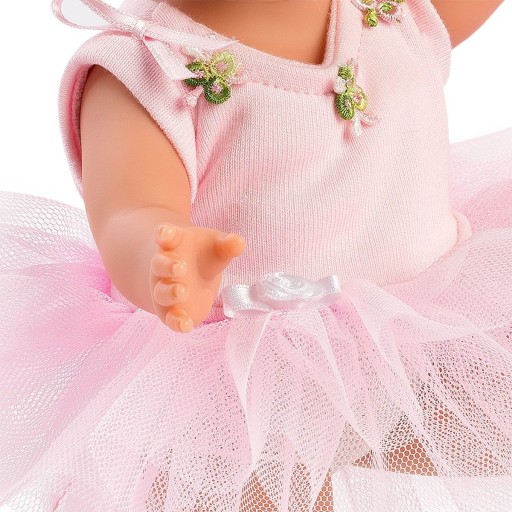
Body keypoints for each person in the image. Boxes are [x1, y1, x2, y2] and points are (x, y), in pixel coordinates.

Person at [1, 0, 511, 509]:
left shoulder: (388, 14)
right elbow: (127, 210)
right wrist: (162, 257)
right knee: (241, 492)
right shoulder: (152, 70)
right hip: (245, 387)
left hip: (424, 333)